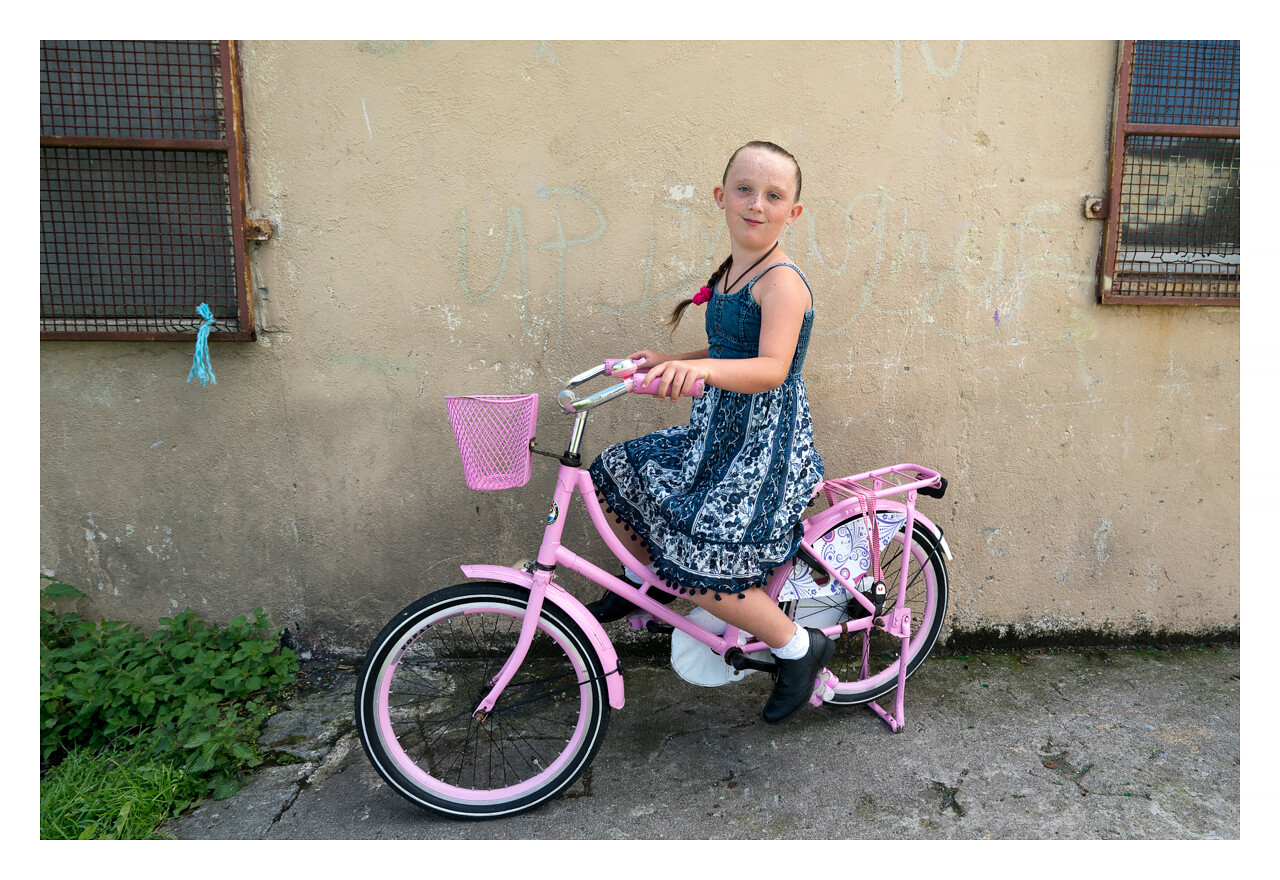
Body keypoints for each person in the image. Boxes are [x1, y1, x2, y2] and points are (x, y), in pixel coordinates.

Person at [586, 140, 829, 725]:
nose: (756, 204)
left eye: (774, 196)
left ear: (792, 212)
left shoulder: (782, 284)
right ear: (721, 197)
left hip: (764, 446)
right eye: (744, 190)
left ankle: (800, 648)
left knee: (700, 555)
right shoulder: (731, 271)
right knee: (615, 469)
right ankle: (651, 580)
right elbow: (727, 351)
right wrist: (671, 359)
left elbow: (772, 366)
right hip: (717, 431)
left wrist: (697, 370)